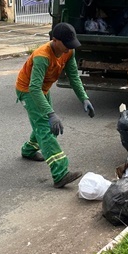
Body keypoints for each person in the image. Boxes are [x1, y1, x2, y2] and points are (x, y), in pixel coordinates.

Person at [15, 22, 95, 188]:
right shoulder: (42, 57)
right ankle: (60, 174)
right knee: (46, 128)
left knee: (44, 126)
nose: (69, 48)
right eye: (66, 44)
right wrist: (51, 113)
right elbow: (34, 88)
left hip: (42, 90)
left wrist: (84, 98)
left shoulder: (68, 51)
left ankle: (28, 150)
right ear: (55, 40)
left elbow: (73, 76)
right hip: (28, 91)